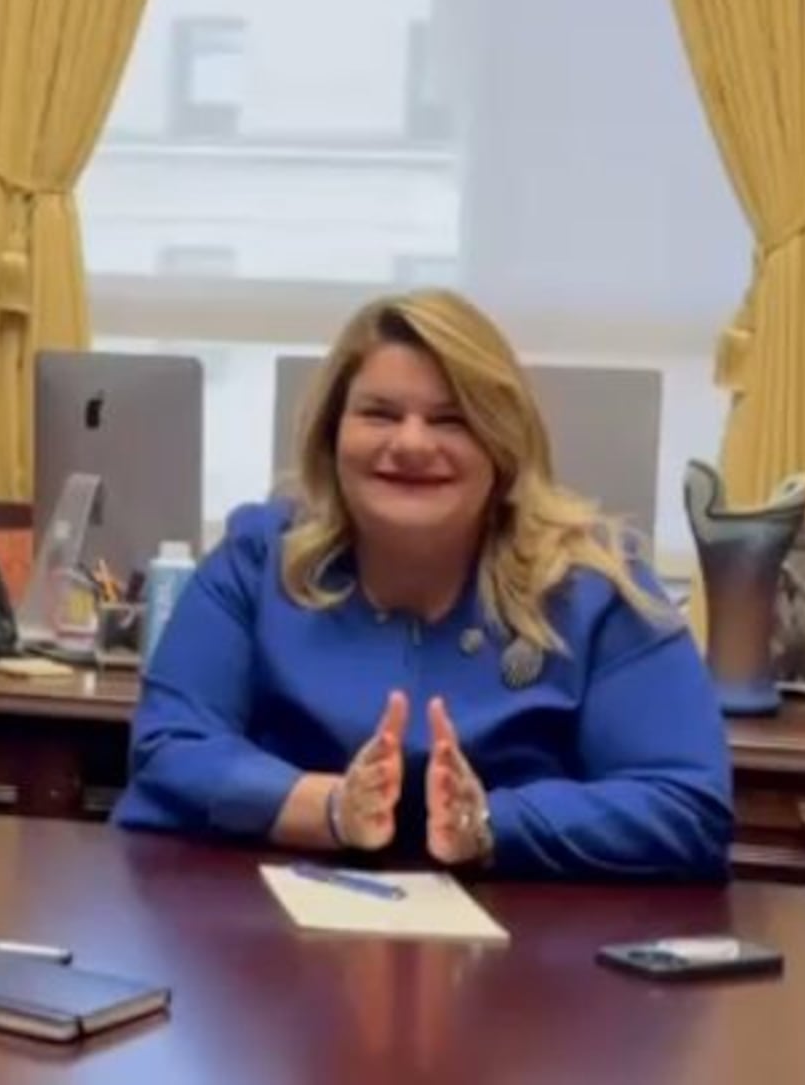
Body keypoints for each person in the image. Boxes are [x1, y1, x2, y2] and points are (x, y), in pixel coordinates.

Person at [109, 289, 733, 880]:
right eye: (379, 413)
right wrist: (331, 808)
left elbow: (685, 804)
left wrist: (491, 823)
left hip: (521, 964)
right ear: (332, 436)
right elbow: (171, 748)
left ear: (503, 443)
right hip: (265, 941)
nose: (410, 443)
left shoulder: (596, 584)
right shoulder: (258, 556)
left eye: (451, 420)